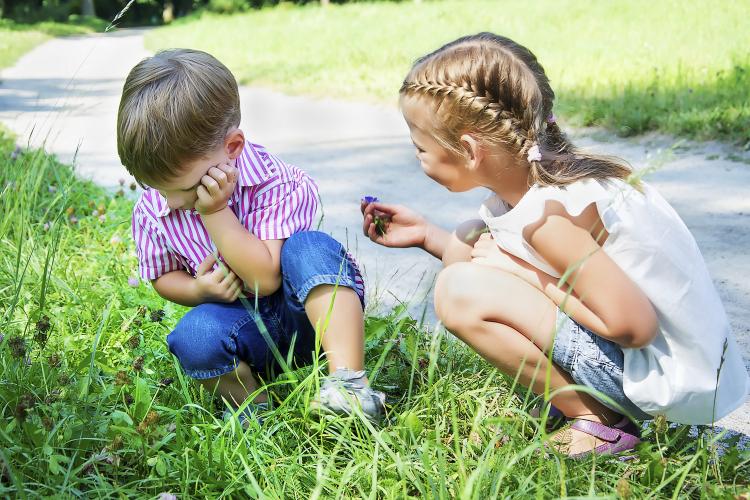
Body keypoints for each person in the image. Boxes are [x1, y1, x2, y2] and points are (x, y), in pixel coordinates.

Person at [361, 33, 748, 457]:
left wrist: (520, 271)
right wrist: (429, 237)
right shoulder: (546, 183)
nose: (417, 156)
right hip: (658, 368)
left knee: (457, 292)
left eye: (420, 147)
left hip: (663, 382)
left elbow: (633, 327)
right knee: (470, 235)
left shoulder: (551, 219)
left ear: (470, 150)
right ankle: (577, 401)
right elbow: (488, 250)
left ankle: (600, 422)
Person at [117, 48, 385, 423]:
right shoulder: (154, 207)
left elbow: (264, 278)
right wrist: (197, 291)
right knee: (193, 335)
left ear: (232, 148)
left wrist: (213, 212)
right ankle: (252, 409)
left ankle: (349, 386)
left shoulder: (278, 183)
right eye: (156, 188)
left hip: (307, 322)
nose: (173, 202)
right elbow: (163, 276)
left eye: (187, 188)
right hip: (240, 328)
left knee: (310, 249)